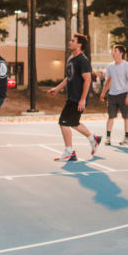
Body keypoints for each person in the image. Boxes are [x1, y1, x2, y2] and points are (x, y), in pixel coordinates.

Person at [46, 33, 101, 162]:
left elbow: (87, 80)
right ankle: (94, 138)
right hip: (72, 97)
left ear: (79, 45)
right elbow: (69, 78)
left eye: (73, 41)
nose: (70, 42)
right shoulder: (71, 59)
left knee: (63, 122)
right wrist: (57, 88)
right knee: (73, 122)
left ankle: (69, 152)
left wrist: (82, 99)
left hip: (77, 98)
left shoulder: (83, 60)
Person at [100, 44, 128, 146]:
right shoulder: (110, 66)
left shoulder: (127, 65)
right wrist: (103, 93)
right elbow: (108, 81)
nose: (113, 53)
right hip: (112, 95)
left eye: (115, 51)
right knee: (111, 117)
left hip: (124, 94)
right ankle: (108, 137)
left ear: (121, 53)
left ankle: (127, 137)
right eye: (113, 51)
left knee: (126, 117)